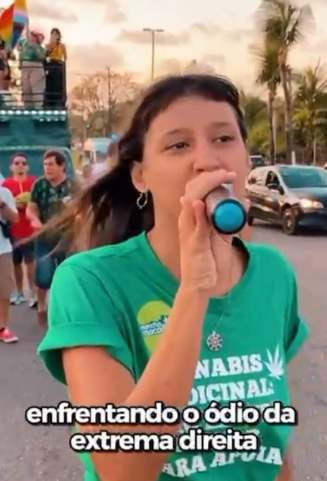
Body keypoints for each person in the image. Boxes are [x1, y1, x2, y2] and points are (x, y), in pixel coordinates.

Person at [38, 74, 308, 481]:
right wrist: (195, 288)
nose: (208, 160)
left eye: (223, 139)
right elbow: (121, 469)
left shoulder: (272, 273)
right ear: (140, 176)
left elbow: (270, 440)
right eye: (178, 144)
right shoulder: (90, 282)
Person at [26, 149, 78, 324]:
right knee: (44, 275)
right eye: (45, 165)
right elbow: (31, 209)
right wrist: (34, 220)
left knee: (66, 272)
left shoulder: (73, 186)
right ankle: (41, 304)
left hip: (67, 237)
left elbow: (82, 211)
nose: (47, 168)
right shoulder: (39, 185)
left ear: (62, 166)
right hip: (44, 236)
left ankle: (64, 307)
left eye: (51, 165)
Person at [2, 153, 37, 307]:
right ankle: (19, 293)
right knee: (16, 263)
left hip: (30, 229)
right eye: (16, 163)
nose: (20, 165)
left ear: (28, 166)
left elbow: (37, 203)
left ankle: (34, 293)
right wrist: (15, 205)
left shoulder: (33, 183)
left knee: (30, 262)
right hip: (13, 230)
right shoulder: (6, 185)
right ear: (11, 167)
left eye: (23, 163)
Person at [0, 184, 18, 342]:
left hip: (2, 249)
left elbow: (14, 218)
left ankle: (3, 327)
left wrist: (1, 204)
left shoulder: (4, 193)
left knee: (4, 292)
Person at [18, 30, 46, 108]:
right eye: (32, 35)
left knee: (36, 90)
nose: (33, 38)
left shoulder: (40, 48)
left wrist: (35, 48)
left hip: (35, 68)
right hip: (25, 68)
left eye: (35, 36)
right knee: (26, 90)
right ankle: (27, 108)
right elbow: (20, 49)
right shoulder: (24, 43)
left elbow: (42, 57)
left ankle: (37, 110)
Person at [44, 28, 67, 108]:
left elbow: (65, 57)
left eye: (56, 34)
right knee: (49, 83)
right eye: (53, 34)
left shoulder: (62, 46)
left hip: (58, 64)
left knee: (58, 84)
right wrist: (51, 45)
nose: (54, 36)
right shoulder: (48, 45)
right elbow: (46, 54)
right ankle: (49, 101)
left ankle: (58, 100)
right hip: (51, 64)